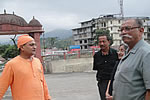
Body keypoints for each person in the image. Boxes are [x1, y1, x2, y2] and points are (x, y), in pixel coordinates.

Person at [0, 34, 51, 100]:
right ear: (22, 47)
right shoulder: (11, 64)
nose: (35, 47)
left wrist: (47, 97)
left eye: (35, 45)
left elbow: (43, 83)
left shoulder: (37, 62)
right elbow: (2, 86)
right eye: (31, 45)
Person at [113, 19, 150, 100]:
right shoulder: (127, 52)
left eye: (128, 28)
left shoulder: (146, 53)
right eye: (121, 29)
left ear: (141, 30)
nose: (123, 32)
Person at [93, 34, 118, 100]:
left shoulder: (115, 54)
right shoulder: (96, 55)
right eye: (100, 42)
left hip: (114, 82)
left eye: (103, 41)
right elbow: (96, 68)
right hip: (102, 82)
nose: (101, 44)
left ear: (109, 42)